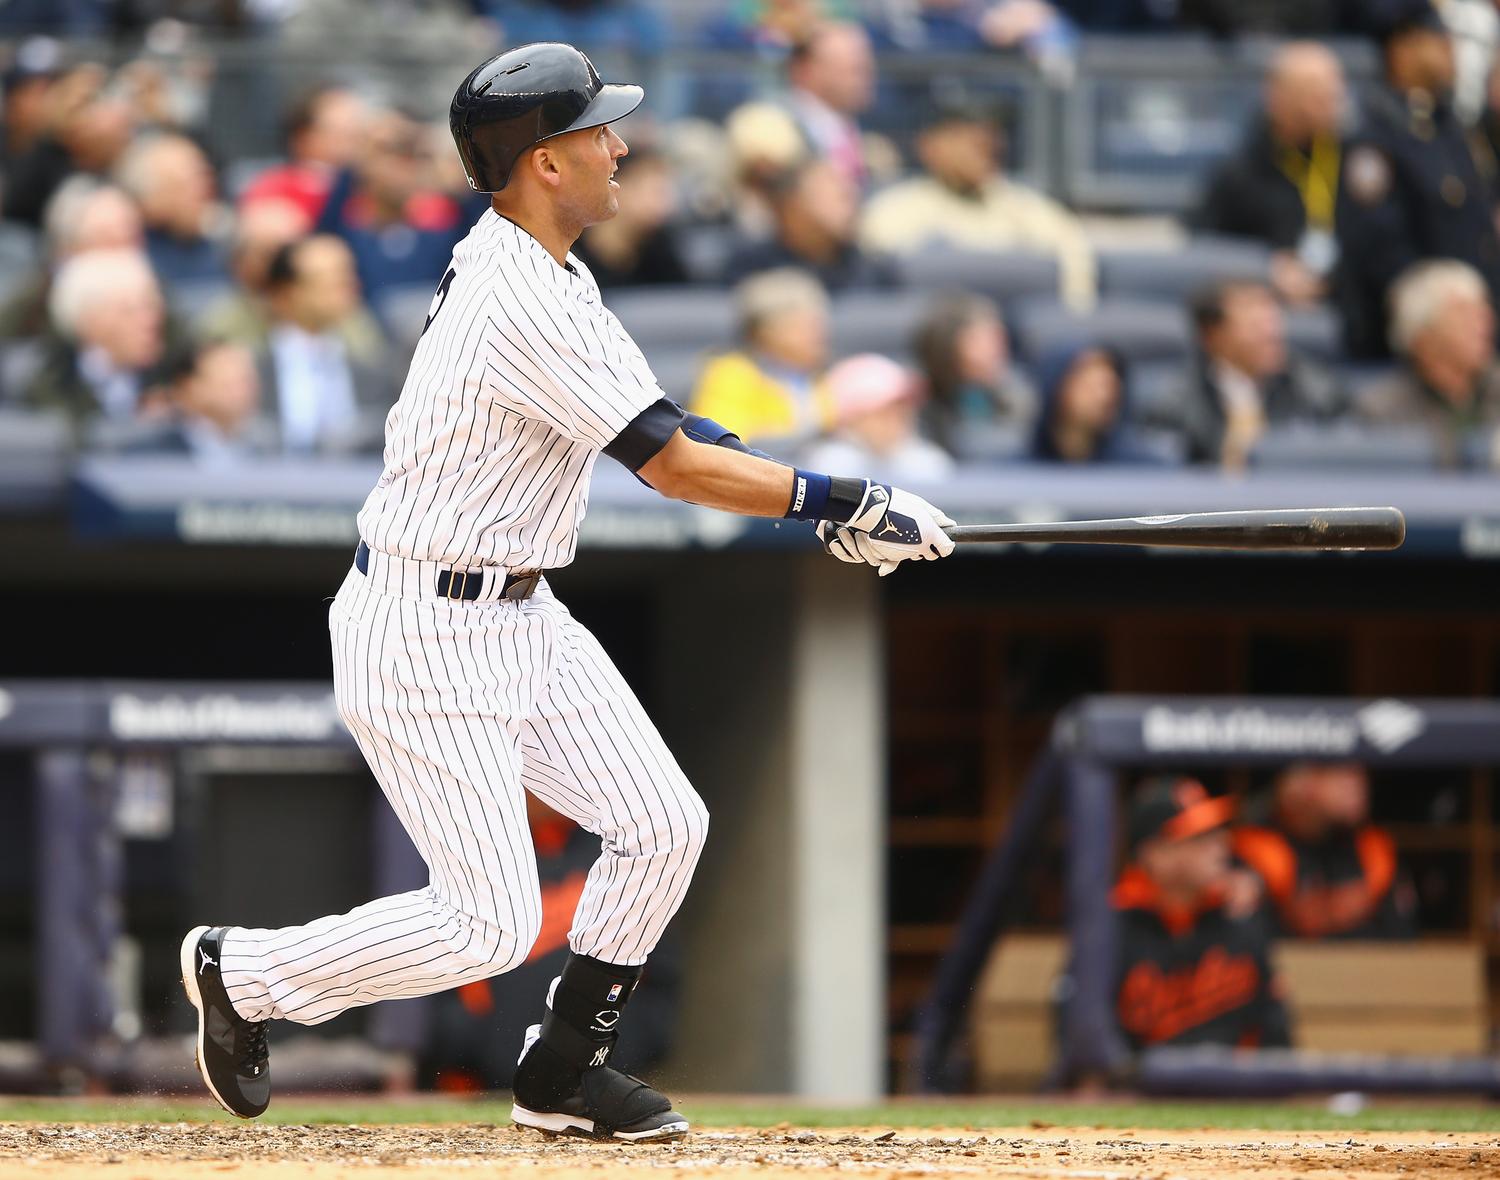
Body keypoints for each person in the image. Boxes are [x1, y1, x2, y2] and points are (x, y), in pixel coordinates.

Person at [178, 42, 956, 1141]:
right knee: (488, 921)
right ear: (544, 160)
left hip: (523, 611)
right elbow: (673, 467)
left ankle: (562, 1071)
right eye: (598, 131)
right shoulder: (516, 295)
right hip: (426, 623)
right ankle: (244, 971)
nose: (620, 146)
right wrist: (843, 495)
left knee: (662, 823)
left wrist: (826, 501)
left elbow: (671, 424)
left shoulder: (553, 269)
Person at [422, 794, 682, 1091]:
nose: (538, 793)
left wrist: (637, 1043)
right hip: (494, 1078)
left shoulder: (619, 854)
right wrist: (470, 1042)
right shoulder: (480, 859)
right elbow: (442, 974)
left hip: (603, 1068)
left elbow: (659, 971)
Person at [1337, 0, 1500, 358]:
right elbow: (1381, 252)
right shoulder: (1375, 135)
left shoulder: (1450, 127)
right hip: (1412, 343)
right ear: (1403, 50)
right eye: (1439, 42)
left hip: (1473, 332)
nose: (1451, 54)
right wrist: (1444, 317)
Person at [1110, 776, 1291, 1052]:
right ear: (1154, 854)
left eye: (1216, 831)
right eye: (1198, 836)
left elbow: (1275, 1034)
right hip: (1143, 1090)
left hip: (1233, 1089)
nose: (1220, 843)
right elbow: (1086, 1041)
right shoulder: (1112, 927)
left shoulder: (1239, 916)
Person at [860, 101, 1096, 310]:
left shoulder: (1019, 205)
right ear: (929, 146)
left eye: (990, 136)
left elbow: (1073, 249)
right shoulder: (895, 208)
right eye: (965, 136)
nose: (985, 146)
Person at [1193, 43, 1350, 308]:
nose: (1330, 100)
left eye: (1333, 90)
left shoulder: (1358, 159)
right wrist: (1264, 269)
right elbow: (1202, 251)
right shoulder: (1240, 172)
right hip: (1267, 308)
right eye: (1314, 92)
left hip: (1348, 305)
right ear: (1277, 98)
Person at [1166, 280, 1345, 469]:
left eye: (1274, 323)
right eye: (1255, 326)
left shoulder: (1317, 395)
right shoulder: (1177, 405)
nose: (1272, 335)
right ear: (1211, 335)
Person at [1232, 762, 1417, 940]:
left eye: (1358, 772)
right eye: (1340, 771)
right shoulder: (1259, 847)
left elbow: (1403, 942)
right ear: (1298, 783)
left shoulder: (1373, 847)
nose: (1356, 783)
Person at [200, 199, 389, 366]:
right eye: (268, 254)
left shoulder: (348, 320)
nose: (281, 265)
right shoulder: (223, 327)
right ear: (240, 262)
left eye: (294, 252)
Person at [315, 109, 474, 304]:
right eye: (392, 159)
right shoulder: (349, 241)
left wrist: (436, 159)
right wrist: (363, 153)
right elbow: (323, 232)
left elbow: (478, 236)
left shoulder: (438, 239)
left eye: (412, 161)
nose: (402, 173)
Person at [1358, 259, 1500, 469]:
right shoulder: (1380, 411)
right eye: (1464, 313)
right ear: (1421, 335)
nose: (1484, 322)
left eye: (1483, 310)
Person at [259, 234, 393, 454]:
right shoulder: (250, 371)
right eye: (329, 279)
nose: (348, 286)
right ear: (285, 292)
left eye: (348, 276)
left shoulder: (375, 369)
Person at [24, 247, 168, 432]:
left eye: (152, 307)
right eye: (129, 311)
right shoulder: (52, 383)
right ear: (87, 323)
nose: (150, 321)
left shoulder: (176, 377)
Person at [690, 267, 834, 445]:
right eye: (802, 327)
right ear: (764, 332)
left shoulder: (827, 376)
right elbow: (722, 441)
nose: (818, 335)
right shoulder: (731, 374)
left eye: (818, 324)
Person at [726, 158, 897, 292]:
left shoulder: (876, 271)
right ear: (790, 206)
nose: (851, 205)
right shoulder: (750, 270)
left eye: (849, 195)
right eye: (837, 196)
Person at [801, 353, 955, 481]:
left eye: (902, 409)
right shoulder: (827, 467)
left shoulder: (928, 463)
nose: (897, 419)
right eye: (883, 412)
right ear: (851, 419)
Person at [913, 292, 1037, 451]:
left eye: (998, 337)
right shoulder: (918, 410)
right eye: (979, 340)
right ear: (946, 348)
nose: (996, 349)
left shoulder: (1019, 396)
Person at [239, 85, 369, 224]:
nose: (351, 135)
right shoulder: (277, 185)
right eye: (340, 129)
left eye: (355, 126)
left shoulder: (366, 187)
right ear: (303, 136)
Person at [114, 132, 231, 287]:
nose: (205, 190)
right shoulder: (132, 257)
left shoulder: (226, 241)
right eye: (187, 184)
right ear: (150, 198)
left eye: (205, 176)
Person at [129, 340, 271, 462]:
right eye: (228, 383)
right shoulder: (154, 455)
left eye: (247, 379)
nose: (245, 389)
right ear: (188, 386)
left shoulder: (268, 450)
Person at [571, 148, 688, 288]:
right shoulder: (571, 253)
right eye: (656, 191)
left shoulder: (661, 249)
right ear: (617, 187)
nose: (667, 204)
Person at [781, 21, 877, 189]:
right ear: (805, 71)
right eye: (853, 70)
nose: (866, 80)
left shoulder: (858, 132)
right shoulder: (779, 128)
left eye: (867, 69)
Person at [1029, 345, 1160, 464]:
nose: (1104, 397)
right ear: (1056, 388)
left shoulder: (1144, 470)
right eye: (1090, 386)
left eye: (1110, 387)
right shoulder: (1019, 471)